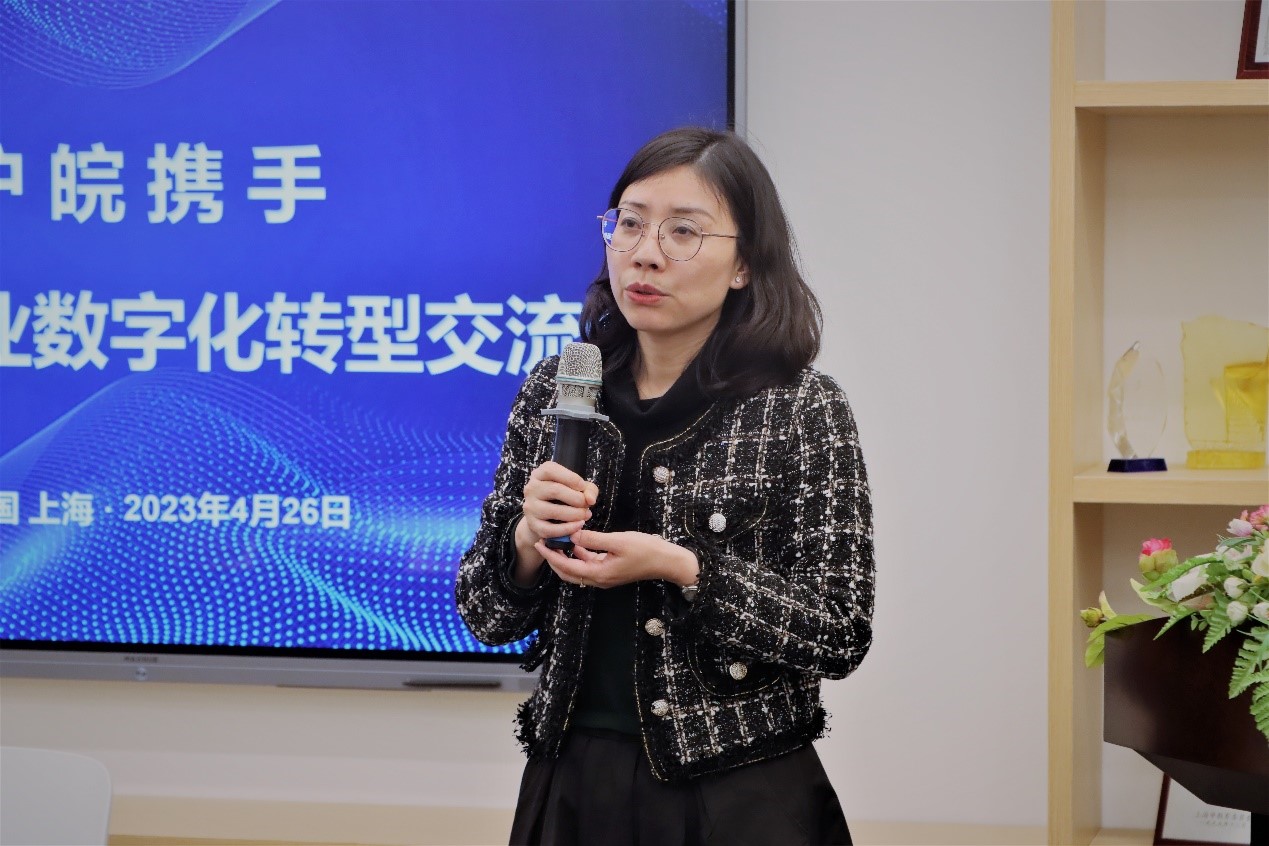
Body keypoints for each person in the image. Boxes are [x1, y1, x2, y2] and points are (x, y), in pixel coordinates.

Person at [456, 126, 875, 846]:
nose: (644, 253)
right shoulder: (558, 389)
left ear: (744, 264)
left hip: (737, 793)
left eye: (683, 231)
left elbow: (838, 631)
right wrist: (525, 539)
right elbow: (485, 614)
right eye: (629, 223)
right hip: (572, 780)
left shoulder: (799, 408)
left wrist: (681, 567)